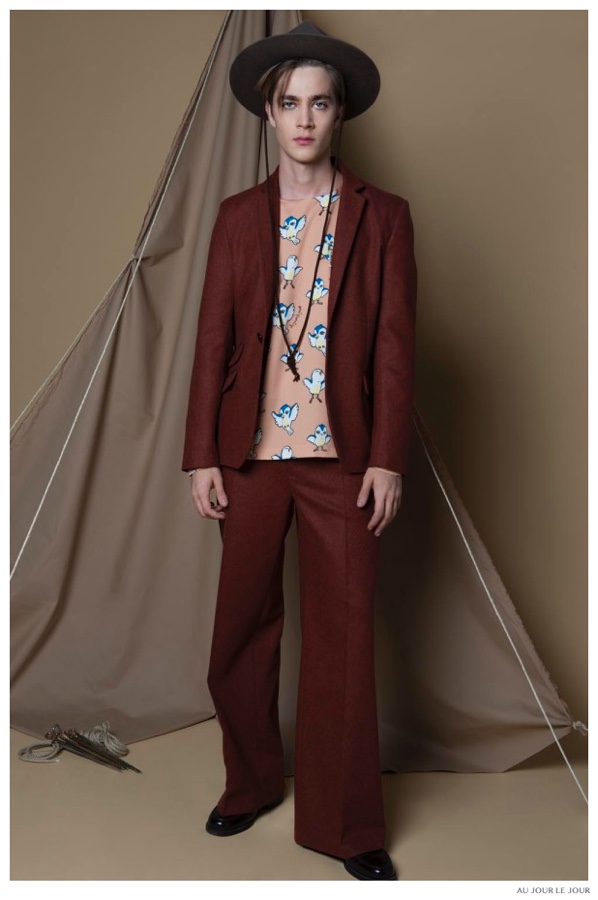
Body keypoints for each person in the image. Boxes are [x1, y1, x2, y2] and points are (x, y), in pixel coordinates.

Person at [182, 21, 417, 881]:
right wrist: (201, 453)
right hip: (247, 459)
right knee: (239, 631)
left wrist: (387, 457)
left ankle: (347, 827)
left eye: (320, 103)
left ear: (340, 113)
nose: (306, 119)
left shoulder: (384, 216)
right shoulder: (237, 217)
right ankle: (248, 783)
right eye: (291, 103)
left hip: (343, 463)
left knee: (344, 644)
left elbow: (394, 345)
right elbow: (212, 339)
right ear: (269, 115)